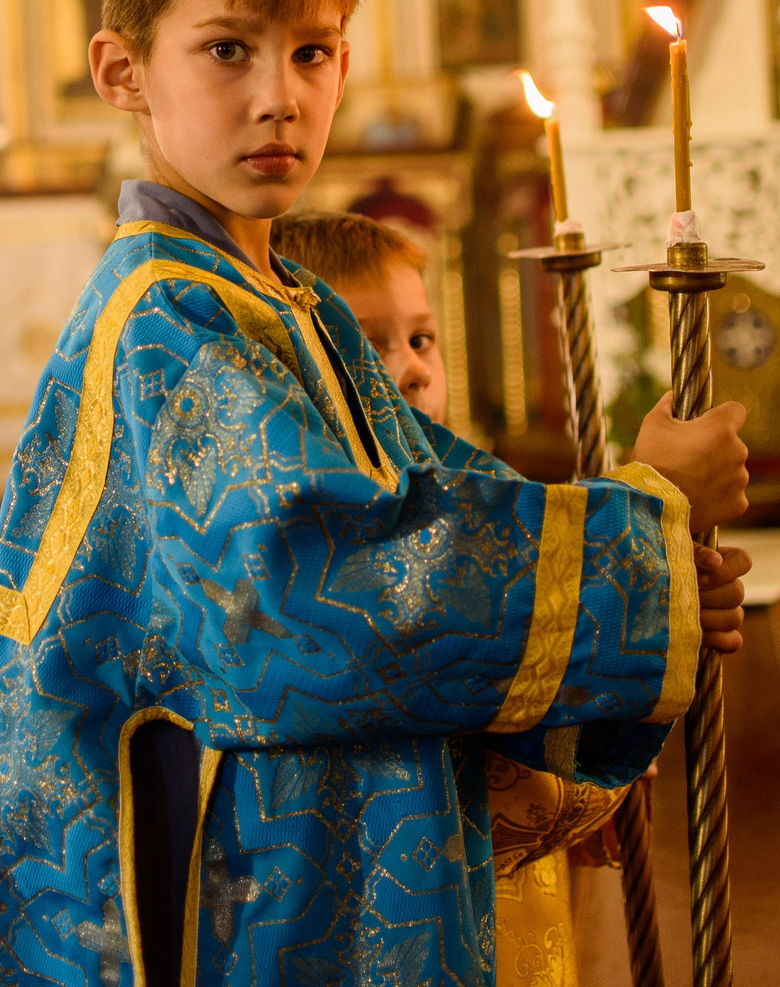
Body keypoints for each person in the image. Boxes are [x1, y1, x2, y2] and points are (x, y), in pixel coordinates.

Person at [0, 0, 753, 986]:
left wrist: (652, 563)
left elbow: (428, 498)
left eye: (311, 51)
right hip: (232, 887)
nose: (279, 96)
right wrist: (641, 534)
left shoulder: (280, 297)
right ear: (121, 72)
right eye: (226, 50)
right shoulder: (168, 321)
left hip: (303, 855)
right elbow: (316, 592)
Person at [272, 209, 636, 984]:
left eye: (420, 337)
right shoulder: (351, 557)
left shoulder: (476, 504)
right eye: (368, 344)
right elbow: (511, 790)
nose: (408, 368)